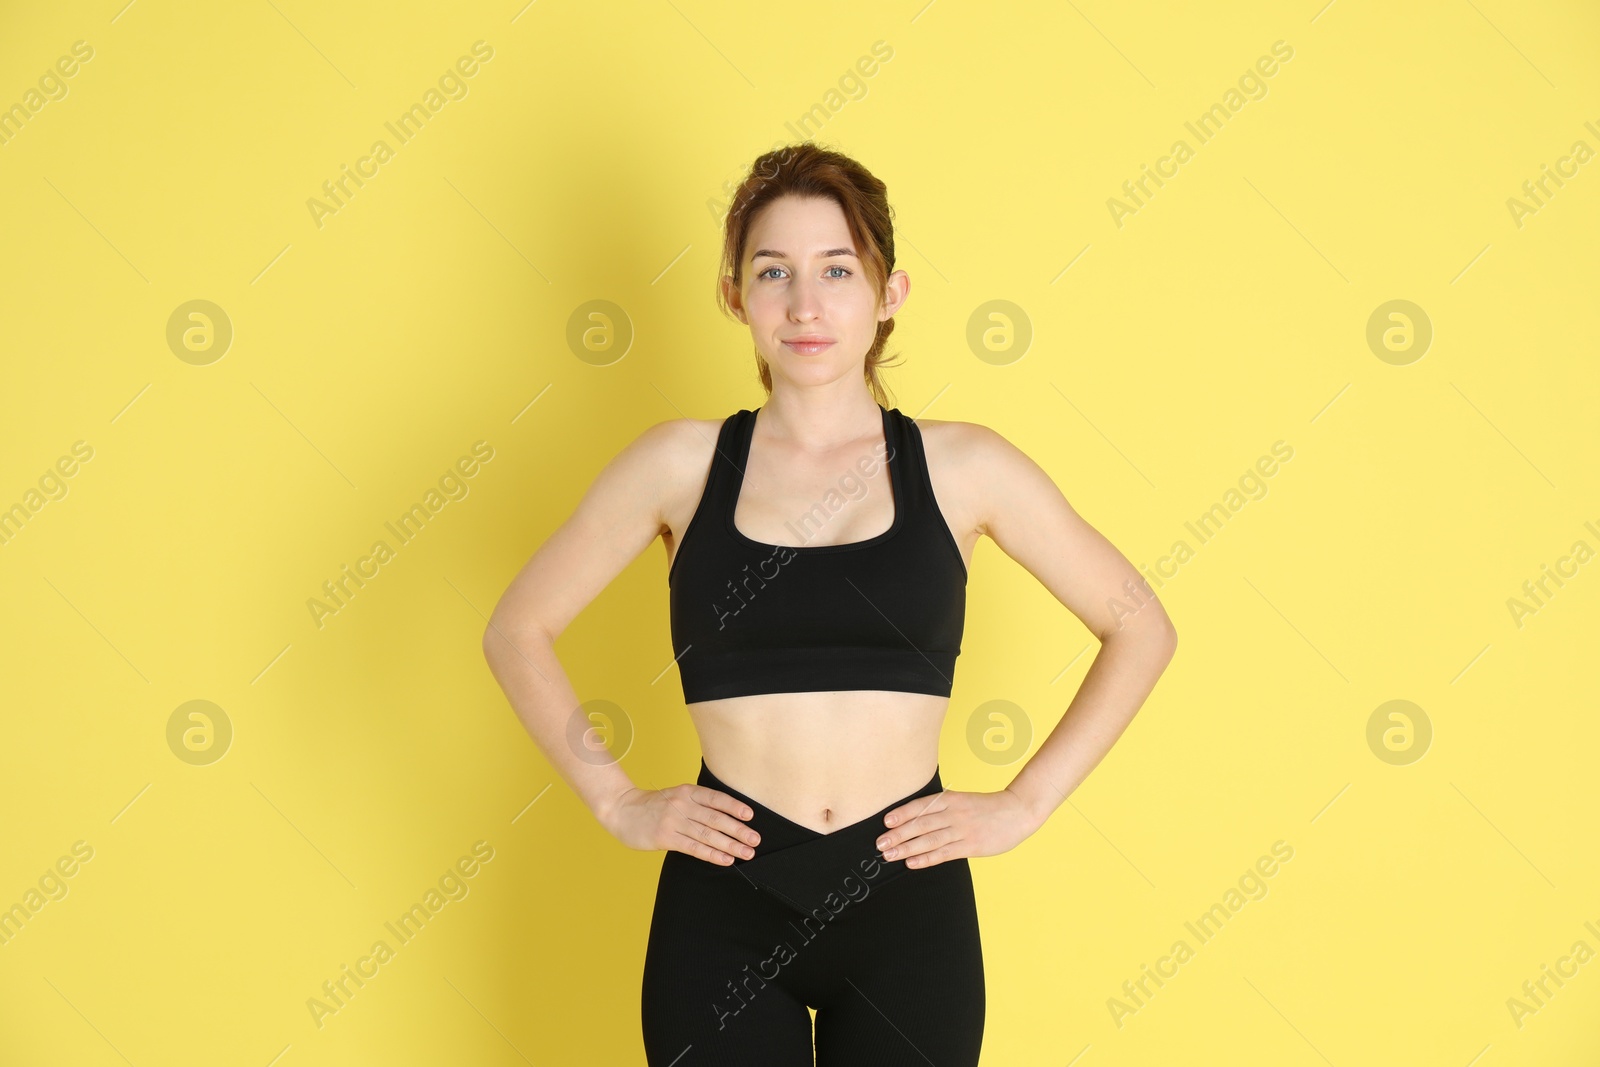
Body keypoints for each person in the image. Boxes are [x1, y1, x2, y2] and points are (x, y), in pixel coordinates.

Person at [482, 143, 1177, 1066]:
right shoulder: (679, 465)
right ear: (735, 295)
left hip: (906, 906)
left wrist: (1024, 802)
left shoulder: (964, 465)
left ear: (889, 295)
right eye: (774, 272)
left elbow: (1139, 624)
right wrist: (616, 801)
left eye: (837, 271)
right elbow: (517, 629)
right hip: (724, 905)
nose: (805, 305)